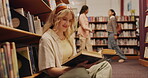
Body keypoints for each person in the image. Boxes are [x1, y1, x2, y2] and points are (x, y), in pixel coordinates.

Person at [37, 1, 112, 78]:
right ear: (55, 18)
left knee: (105, 65)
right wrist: (74, 68)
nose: (67, 24)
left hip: (75, 70)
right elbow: (50, 71)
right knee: (80, 72)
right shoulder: (47, 39)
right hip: (61, 74)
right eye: (64, 19)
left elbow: (74, 59)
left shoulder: (69, 36)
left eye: (70, 20)